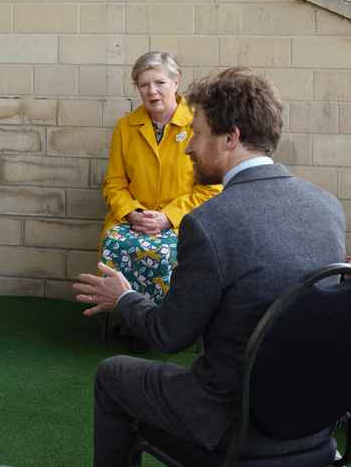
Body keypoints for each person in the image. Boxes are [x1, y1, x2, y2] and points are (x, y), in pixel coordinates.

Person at [73, 68, 346, 467]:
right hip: (312, 425)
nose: (189, 147)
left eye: (198, 133)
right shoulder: (327, 206)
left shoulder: (210, 221)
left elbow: (169, 335)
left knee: (112, 375)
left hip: (232, 424)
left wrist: (125, 298)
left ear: (231, 138)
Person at [99, 52, 220, 318]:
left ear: (176, 82)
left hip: (183, 222)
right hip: (133, 219)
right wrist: (133, 213)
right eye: (144, 84)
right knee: (116, 244)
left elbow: (211, 189)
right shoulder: (125, 127)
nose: (152, 91)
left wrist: (168, 217)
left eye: (160, 83)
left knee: (165, 252)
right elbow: (114, 183)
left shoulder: (199, 126)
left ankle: (166, 321)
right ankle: (123, 317)